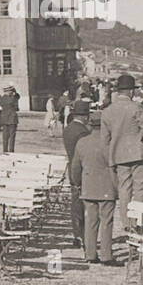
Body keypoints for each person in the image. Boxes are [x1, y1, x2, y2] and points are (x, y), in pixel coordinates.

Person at [100, 74, 143, 238]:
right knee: (140, 189)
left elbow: (104, 140)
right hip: (139, 155)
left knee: (124, 189)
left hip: (119, 155)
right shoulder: (136, 108)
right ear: (131, 92)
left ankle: (127, 224)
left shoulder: (107, 111)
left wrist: (110, 157)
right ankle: (138, 222)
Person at [69, 112, 121, 266]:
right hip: (107, 187)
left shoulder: (82, 142)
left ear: (90, 125)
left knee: (91, 221)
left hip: (88, 186)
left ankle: (90, 253)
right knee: (106, 221)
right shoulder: (111, 144)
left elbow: (75, 167)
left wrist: (78, 183)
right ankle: (106, 255)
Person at [62, 100, 92, 247]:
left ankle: (76, 234)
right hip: (82, 169)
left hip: (71, 168)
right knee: (85, 205)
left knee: (75, 203)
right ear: (86, 116)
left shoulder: (67, 129)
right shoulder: (83, 132)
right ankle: (84, 235)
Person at [0, 84, 21, 152]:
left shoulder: (2, 98)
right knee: (12, 137)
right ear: (10, 91)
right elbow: (17, 107)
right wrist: (15, 91)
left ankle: (5, 150)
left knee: (5, 136)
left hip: (4, 119)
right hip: (12, 119)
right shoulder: (13, 98)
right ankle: (11, 151)